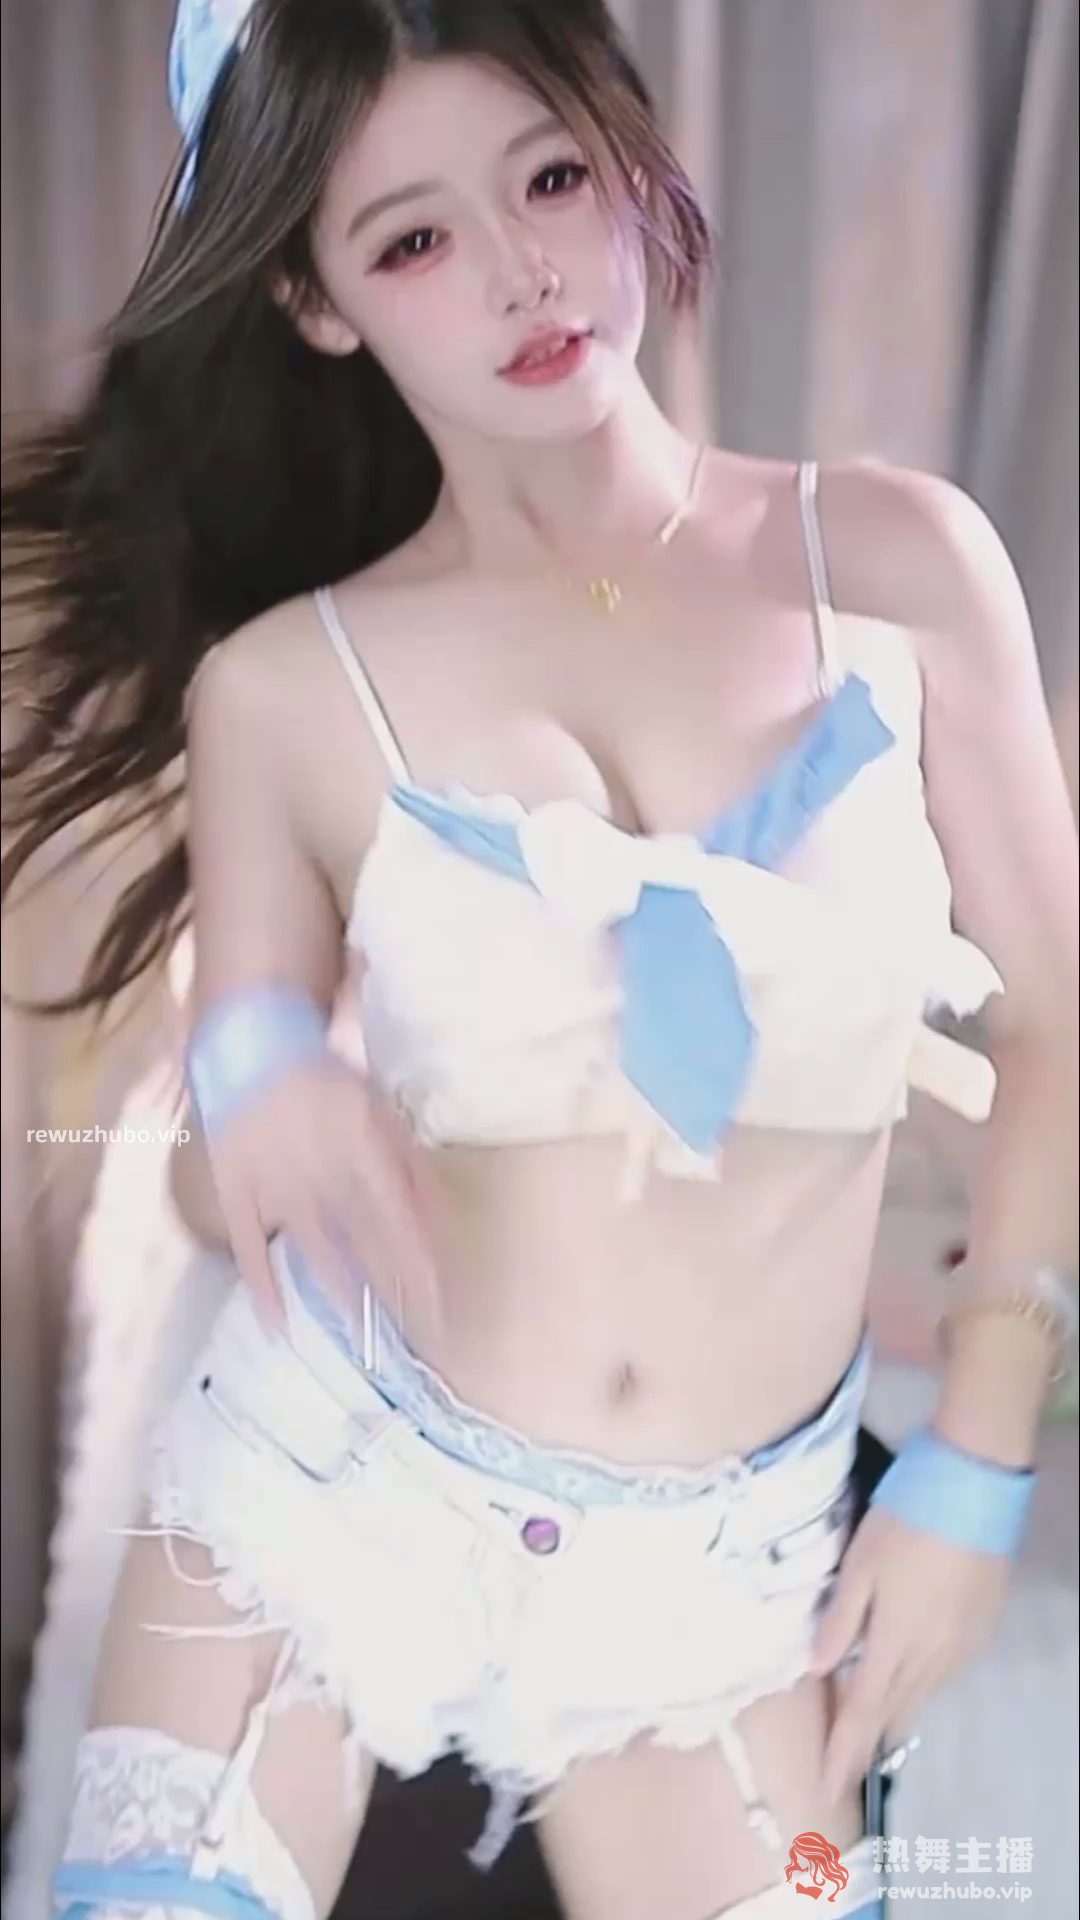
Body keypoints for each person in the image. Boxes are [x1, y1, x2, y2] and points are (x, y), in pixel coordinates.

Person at [2, 3, 1077, 1916]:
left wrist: (978, 1471)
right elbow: (228, 1124)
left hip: (721, 1577)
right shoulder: (285, 691)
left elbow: (1060, 1027)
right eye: (413, 238)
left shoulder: (902, 564)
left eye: (552, 178)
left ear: (632, 154)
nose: (520, 273)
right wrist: (263, 1073)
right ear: (318, 301)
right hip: (333, 1488)